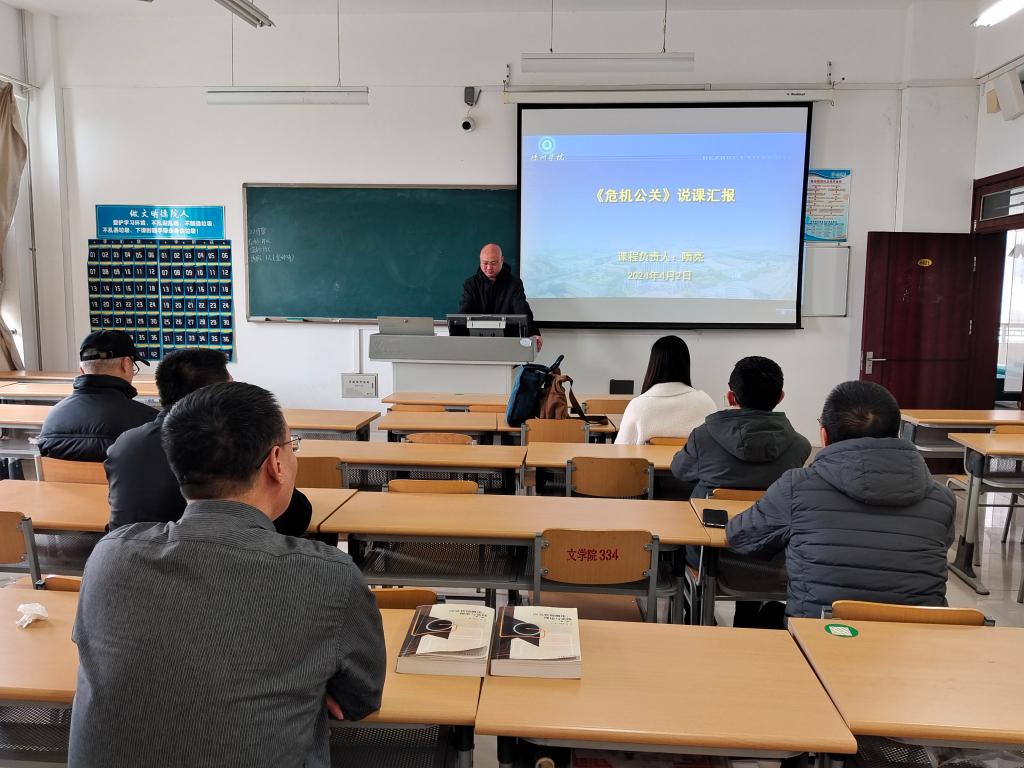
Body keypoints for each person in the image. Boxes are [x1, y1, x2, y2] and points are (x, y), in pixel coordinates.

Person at [69, 382, 386, 768]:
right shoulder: (326, 574)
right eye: (292, 445)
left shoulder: (111, 555)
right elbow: (360, 699)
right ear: (276, 462)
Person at [726, 380, 956, 619]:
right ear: (896, 434)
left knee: (763, 614)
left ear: (824, 436)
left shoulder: (797, 487)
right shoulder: (942, 499)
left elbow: (740, 536)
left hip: (820, 635)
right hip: (917, 636)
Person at [105, 347, 311, 536]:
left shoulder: (126, 443)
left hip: (132, 553)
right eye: (230, 385)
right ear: (216, 395)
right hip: (219, 557)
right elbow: (293, 519)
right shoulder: (226, 442)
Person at [670, 356, 810, 499]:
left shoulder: (702, 437)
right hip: (773, 513)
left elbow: (679, 471)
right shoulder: (800, 446)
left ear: (731, 397)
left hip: (710, 513)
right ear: (781, 397)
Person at [37, 330, 158, 461]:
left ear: (82, 370)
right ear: (126, 364)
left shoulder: (51, 420)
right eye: (133, 367)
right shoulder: (149, 422)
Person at [613, 335, 716, 445]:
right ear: (686, 364)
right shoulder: (706, 403)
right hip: (696, 457)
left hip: (650, 458)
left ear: (653, 365)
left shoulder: (637, 406)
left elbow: (620, 450)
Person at [458, 243, 542, 351]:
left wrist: (533, 334)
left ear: (502, 260)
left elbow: (523, 311)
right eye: (485, 263)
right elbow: (463, 314)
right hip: (477, 344)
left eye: (493, 263)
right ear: (480, 261)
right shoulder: (471, 284)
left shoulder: (514, 284)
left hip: (508, 344)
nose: (489, 268)